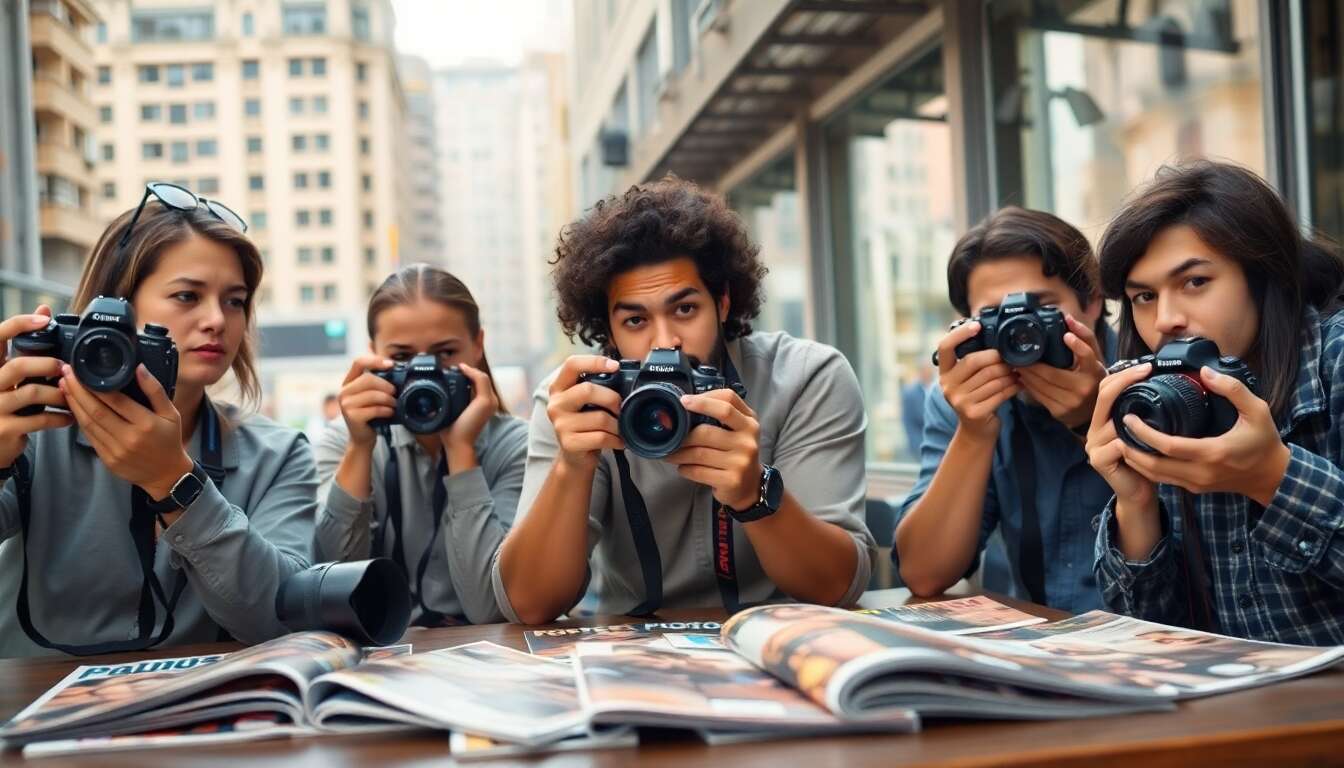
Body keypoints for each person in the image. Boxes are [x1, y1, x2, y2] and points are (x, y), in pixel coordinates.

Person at [494, 177, 876, 624]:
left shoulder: (806, 378)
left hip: (779, 638)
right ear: (608, 331)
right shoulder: (577, 399)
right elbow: (529, 604)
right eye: (635, 319)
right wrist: (572, 466)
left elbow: (838, 587)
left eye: (685, 309)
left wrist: (755, 492)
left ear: (724, 301)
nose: (666, 341)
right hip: (631, 653)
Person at [0, 182, 316, 658]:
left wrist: (175, 483)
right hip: (27, 707)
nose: (217, 320)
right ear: (113, 311)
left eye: (235, 300)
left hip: (196, 712)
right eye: (188, 296)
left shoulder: (278, 454)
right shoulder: (36, 430)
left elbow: (281, 614)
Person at [1087, 160, 1344, 645]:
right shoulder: (1163, 398)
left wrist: (1272, 478)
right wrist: (1136, 502)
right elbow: (1154, 637)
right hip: (1234, 710)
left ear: (1261, 278)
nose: (1166, 319)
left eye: (1195, 282)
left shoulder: (1335, 361)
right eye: (1143, 296)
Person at [893, 207, 1116, 613]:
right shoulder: (964, 397)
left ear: (1094, 301)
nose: (1021, 330)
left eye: (1041, 308)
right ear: (968, 326)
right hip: (1041, 649)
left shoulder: (1150, 380)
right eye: (996, 315)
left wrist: (1095, 418)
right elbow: (925, 575)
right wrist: (974, 432)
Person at [314, 264, 527, 625]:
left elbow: (489, 607)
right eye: (401, 358)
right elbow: (332, 593)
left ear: (478, 345)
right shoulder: (342, 442)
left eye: (444, 354)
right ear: (372, 355)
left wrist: (462, 453)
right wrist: (359, 449)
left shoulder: (515, 445)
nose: (423, 372)